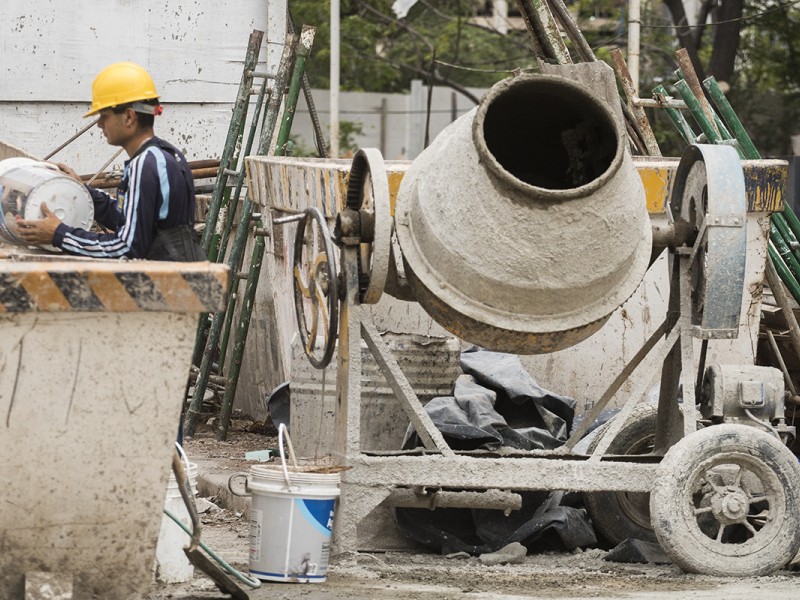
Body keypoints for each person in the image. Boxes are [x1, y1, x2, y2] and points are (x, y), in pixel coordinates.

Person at [15, 61, 205, 261]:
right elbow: (131, 220)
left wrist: (59, 234)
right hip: (178, 280)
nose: (99, 124)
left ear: (129, 117)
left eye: (104, 116)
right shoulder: (164, 155)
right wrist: (83, 191)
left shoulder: (144, 164)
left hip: (167, 286)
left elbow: (126, 248)